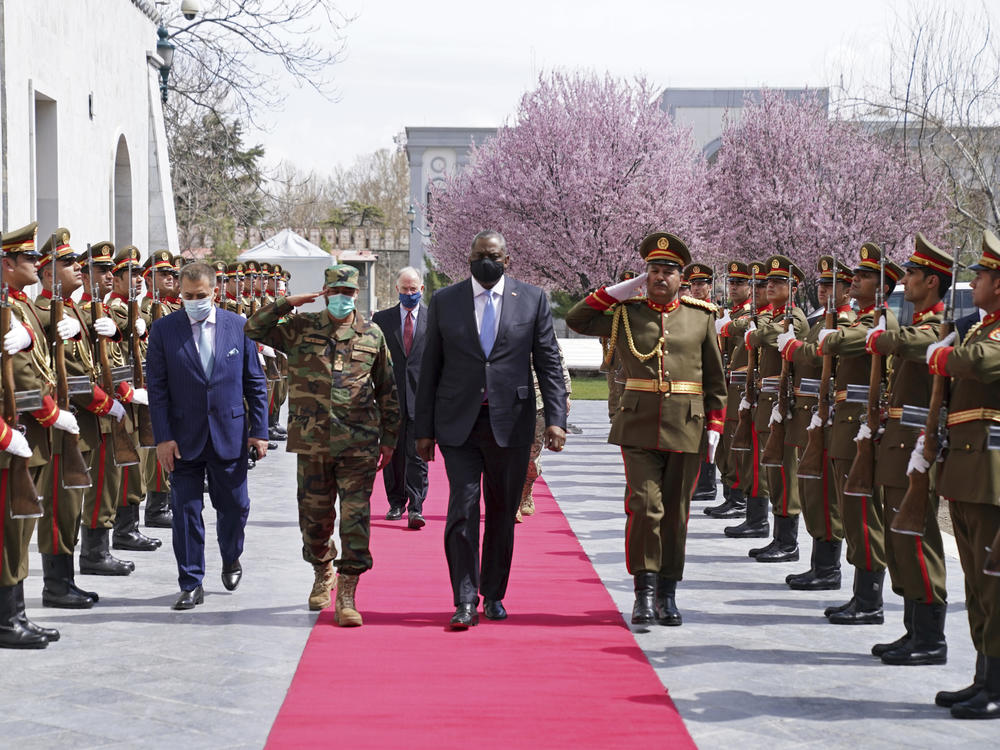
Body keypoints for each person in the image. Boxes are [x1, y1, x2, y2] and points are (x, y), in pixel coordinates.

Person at [566, 232, 726, 627]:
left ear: (680, 277)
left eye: (667, 271)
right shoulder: (627, 313)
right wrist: (620, 290)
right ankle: (645, 590)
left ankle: (668, 593)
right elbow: (577, 319)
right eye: (653, 270)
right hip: (638, 423)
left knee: (676, 513)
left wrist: (716, 425)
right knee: (644, 506)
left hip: (687, 425)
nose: (659, 277)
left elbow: (716, 380)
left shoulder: (701, 316)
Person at [416, 231, 567, 629]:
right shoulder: (446, 301)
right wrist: (423, 430)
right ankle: (464, 599)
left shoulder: (532, 299)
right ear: (468, 257)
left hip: (511, 424)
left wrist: (555, 419)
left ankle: (494, 594)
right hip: (459, 426)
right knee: (462, 511)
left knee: (502, 513)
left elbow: (548, 362)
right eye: (479, 254)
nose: (486, 261)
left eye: (494, 255)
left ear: (507, 259)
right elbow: (429, 367)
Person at [245, 265, 399, 626]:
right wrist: (285, 302)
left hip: (358, 444)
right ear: (324, 293)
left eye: (348, 292)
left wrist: (390, 439)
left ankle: (347, 591)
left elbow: (388, 390)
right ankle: (322, 568)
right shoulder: (301, 328)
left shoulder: (372, 334)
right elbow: (252, 328)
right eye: (335, 292)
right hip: (312, 443)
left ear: (355, 295)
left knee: (355, 520)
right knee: (314, 521)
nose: (342, 298)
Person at [787, 243, 902, 624]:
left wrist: (832, 333)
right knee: (852, 513)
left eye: (866, 276)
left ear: (883, 287)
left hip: (861, 429)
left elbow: (836, 344)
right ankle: (859, 594)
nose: (855, 280)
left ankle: (870, 600)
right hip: (844, 426)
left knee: (864, 515)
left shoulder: (879, 323)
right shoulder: (857, 318)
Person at [146, 261, 269, 610]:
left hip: (229, 433)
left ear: (214, 291)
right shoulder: (164, 330)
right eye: (187, 296)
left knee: (234, 507)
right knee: (185, 511)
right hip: (183, 438)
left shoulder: (238, 326)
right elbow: (157, 388)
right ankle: (190, 581)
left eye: (201, 295)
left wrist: (258, 432)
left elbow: (255, 383)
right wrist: (163, 437)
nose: (194, 301)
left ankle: (232, 556)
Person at [864, 234, 952, 666]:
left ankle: (931, 637)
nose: (906, 281)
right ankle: (913, 629)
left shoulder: (940, 326)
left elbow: (906, 344)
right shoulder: (918, 319)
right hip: (897, 445)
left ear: (932, 282)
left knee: (918, 538)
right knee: (900, 538)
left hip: (917, 449)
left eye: (913, 274)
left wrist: (886, 331)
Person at [927, 230, 1000, 719]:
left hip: (994, 476)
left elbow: (980, 364)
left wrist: (940, 355)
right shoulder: (980, 326)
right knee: (976, 580)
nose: (974, 282)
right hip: (970, 472)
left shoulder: (991, 336)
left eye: (982, 275)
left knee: (995, 583)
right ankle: (983, 676)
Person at [0, 221, 66, 646]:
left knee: (19, 525)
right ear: (6, 264)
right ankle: (7, 620)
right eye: (27, 259)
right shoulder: (10, 310)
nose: (36, 264)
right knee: (8, 529)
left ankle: (16, 613)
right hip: (12, 433)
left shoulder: (17, 307)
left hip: (25, 430)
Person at [780, 256, 852, 590]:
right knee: (812, 490)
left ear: (848, 289)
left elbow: (819, 353)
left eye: (831, 285)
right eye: (821, 285)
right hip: (813, 414)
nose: (823, 290)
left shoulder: (845, 320)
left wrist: (795, 348)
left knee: (825, 494)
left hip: (833, 418)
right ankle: (819, 564)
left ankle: (828, 569)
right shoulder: (822, 319)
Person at [744, 256, 809, 563]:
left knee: (785, 474)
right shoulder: (774, 316)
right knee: (773, 473)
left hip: (784, 406)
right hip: (768, 402)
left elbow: (763, 337)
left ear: (793, 288)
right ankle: (778, 537)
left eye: (778, 282)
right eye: (768, 281)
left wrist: (760, 330)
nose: (769, 286)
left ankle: (789, 542)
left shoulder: (794, 317)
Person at [372, 266, 429, 529]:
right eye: (404, 289)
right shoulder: (382, 320)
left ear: (422, 290)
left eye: (413, 289)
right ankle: (396, 503)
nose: (409, 293)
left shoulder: (433, 319)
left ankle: (416, 508)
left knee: (418, 455)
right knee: (392, 454)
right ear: (397, 289)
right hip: (390, 399)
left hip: (422, 398)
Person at [705, 261, 752, 519]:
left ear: (750, 288)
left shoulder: (745, 315)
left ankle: (738, 499)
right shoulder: (729, 313)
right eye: (731, 282)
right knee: (724, 445)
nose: (733, 287)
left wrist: (726, 325)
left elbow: (744, 328)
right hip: (724, 387)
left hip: (738, 389)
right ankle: (729, 495)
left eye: (739, 283)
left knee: (734, 445)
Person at [140, 249, 179, 529]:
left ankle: (164, 499)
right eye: (163, 274)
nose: (170, 277)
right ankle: (156, 507)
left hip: (173, 381)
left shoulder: (169, 307)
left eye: (172, 274)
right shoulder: (145, 308)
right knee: (158, 443)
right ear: (148, 279)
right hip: (154, 383)